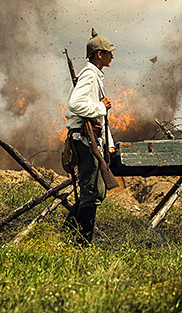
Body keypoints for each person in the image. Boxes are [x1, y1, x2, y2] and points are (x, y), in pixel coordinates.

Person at [63, 28, 116, 245]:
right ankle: (80, 243)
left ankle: (70, 237)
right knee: (91, 192)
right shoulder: (89, 75)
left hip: (92, 140)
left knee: (96, 193)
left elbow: (99, 119)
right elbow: (75, 105)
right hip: (85, 141)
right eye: (109, 52)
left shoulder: (94, 76)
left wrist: (109, 143)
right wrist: (101, 107)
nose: (112, 56)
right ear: (99, 55)